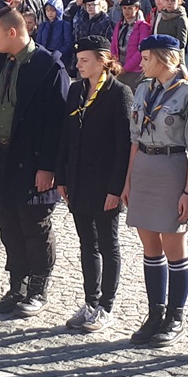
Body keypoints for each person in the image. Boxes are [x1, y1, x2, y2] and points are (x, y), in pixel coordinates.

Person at [0, 7, 67, 317]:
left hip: (32, 161)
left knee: (34, 224)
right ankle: (18, 285)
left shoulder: (48, 66)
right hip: (0, 157)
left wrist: (48, 167)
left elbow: (58, 124)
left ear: (12, 32)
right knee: (8, 223)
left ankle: (38, 288)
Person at [123, 34, 188, 346]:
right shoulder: (143, 88)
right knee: (149, 246)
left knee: (174, 246)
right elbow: (133, 138)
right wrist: (128, 180)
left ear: (163, 58)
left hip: (172, 168)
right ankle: (155, 312)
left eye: (146, 58)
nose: (141, 64)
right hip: (144, 165)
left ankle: (175, 315)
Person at [56, 34, 132, 331]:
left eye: (85, 60)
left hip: (104, 183)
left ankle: (106, 306)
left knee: (107, 243)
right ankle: (90, 299)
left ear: (103, 61)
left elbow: (123, 145)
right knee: (87, 243)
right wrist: (62, 176)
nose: (79, 65)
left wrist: (116, 188)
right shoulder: (76, 91)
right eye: (78, 60)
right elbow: (65, 135)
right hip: (77, 180)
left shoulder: (118, 93)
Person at [112, 0, 151, 87]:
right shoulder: (119, 25)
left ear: (136, 9)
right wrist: (115, 61)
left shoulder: (143, 26)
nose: (126, 11)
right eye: (124, 8)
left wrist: (127, 67)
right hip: (119, 63)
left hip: (135, 68)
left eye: (130, 8)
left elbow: (141, 49)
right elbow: (113, 45)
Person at [34, 0, 74, 72]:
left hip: (59, 58)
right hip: (44, 57)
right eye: (47, 10)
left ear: (58, 10)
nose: (50, 13)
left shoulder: (65, 25)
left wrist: (57, 54)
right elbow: (38, 42)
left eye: (53, 10)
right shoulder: (43, 25)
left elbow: (68, 43)